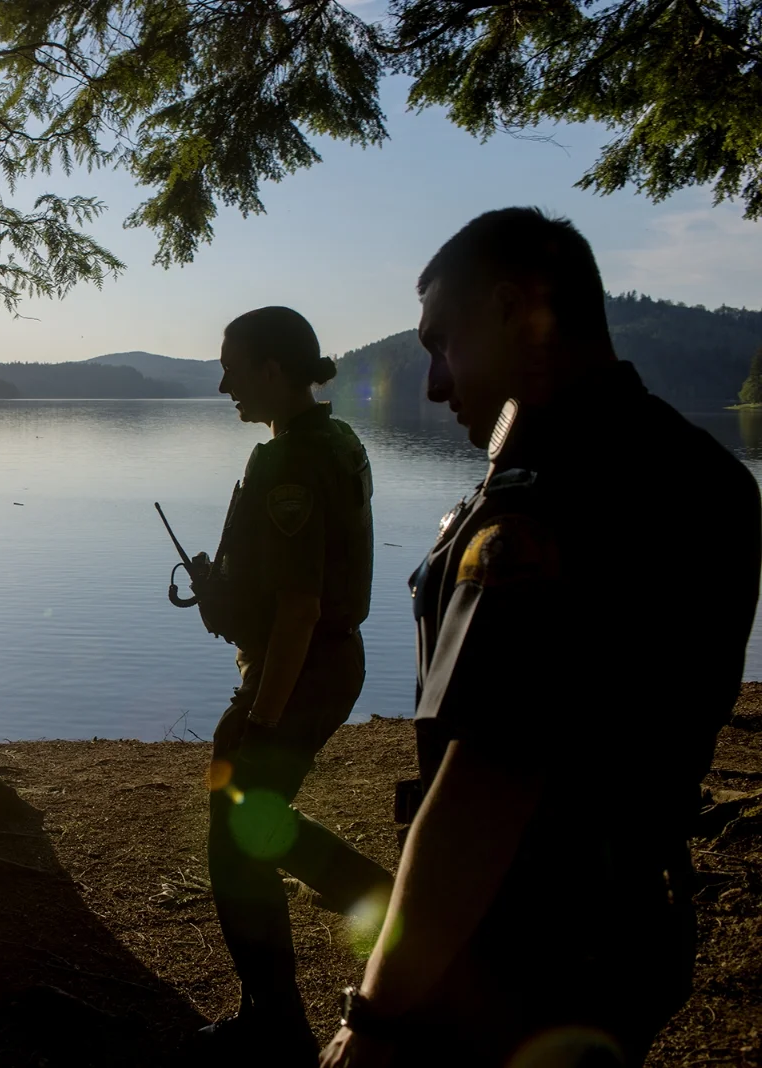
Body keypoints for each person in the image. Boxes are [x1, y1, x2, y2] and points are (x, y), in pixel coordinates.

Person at [319, 208, 762, 1068]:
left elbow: (487, 787)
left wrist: (372, 1018)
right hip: (633, 928)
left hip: (513, 958)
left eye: (443, 344)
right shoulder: (707, 476)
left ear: (519, 310)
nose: (436, 385)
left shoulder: (541, 509)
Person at [190, 306, 395, 1065]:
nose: (223, 384)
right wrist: (229, 597)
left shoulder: (289, 463)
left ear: (272, 371)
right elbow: (291, 587)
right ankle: (388, 908)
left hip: (300, 671)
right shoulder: (335, 440)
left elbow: (303, 605)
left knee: (239, 832)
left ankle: (277, 1021)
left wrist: (265, 718)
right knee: (248, 819)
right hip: (322, 662)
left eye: (233, 368)